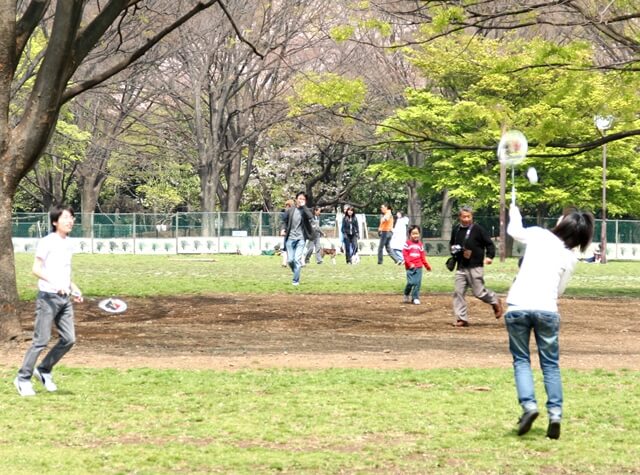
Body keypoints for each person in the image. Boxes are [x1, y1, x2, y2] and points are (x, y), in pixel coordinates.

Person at [504, 204, 594, 440]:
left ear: (562, 223)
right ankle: (555, 414)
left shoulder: (540, 235)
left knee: (522, 361)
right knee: (550, 365)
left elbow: (515, 231)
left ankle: (529, 406)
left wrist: (514, 211)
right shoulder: (570, 257)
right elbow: (560, 289)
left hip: (518, 306)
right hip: (547, 309)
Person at [14, 204, 83, 397]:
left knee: (69, 339)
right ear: (55, 222)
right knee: (40, 340)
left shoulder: (68, 243)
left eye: (71, 217)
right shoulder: (47, 241)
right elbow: (36, 269)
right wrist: (54, 284)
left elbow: (63, 272)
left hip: (64, 298)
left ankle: (43, 369)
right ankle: (23, 378)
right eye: (65, 218)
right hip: (47, 298)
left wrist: (73, 287)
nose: (70, 221)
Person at [449, 205, 502, 327]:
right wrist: (454, 251)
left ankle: (494, 300)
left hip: (475, 266)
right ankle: (461, 318)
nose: (466, 219)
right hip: (461, 266)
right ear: (459, 217)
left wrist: (489, 256)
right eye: (464, 217)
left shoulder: (478, 229)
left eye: (468, 216)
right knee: (458, 292)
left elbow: (489, 244)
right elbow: (452, 243)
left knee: (479, 292)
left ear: (472, 216)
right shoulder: (456, 229)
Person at [280, 192, 314, 286]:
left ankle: (295, 280)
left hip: (301, 239)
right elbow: (284, 221)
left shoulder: (306, 211)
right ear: (296, 199)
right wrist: (283, 229)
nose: (301, 200)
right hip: (290, 238)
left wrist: (304, 207)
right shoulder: (290, 210)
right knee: (290, 260)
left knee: (297, 260)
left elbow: (310, 217)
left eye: (303, 199)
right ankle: (296, 271)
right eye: (299, 198)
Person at [402, 225, 432, 305]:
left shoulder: (420, 245)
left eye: (417, 233)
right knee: (411, 282)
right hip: (410, 267)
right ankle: (406, 293)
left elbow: (422, 257)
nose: (415, 235)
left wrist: (427, 266)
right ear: (409, 234)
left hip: (419, 266)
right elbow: (405, 255)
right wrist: (409, 263)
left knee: (417, 283)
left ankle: (415, 298)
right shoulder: (407, 244)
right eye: (413, 233)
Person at [280, 199, 294, 267]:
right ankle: (284, 262)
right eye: (286, 206)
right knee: (286, 247)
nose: (286, 207)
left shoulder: (294, 213)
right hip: (288, 232)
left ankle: (288, 262)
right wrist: (283, 229)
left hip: (293, 233)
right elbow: (284, 222)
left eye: (288, 206)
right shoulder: (286, 214)